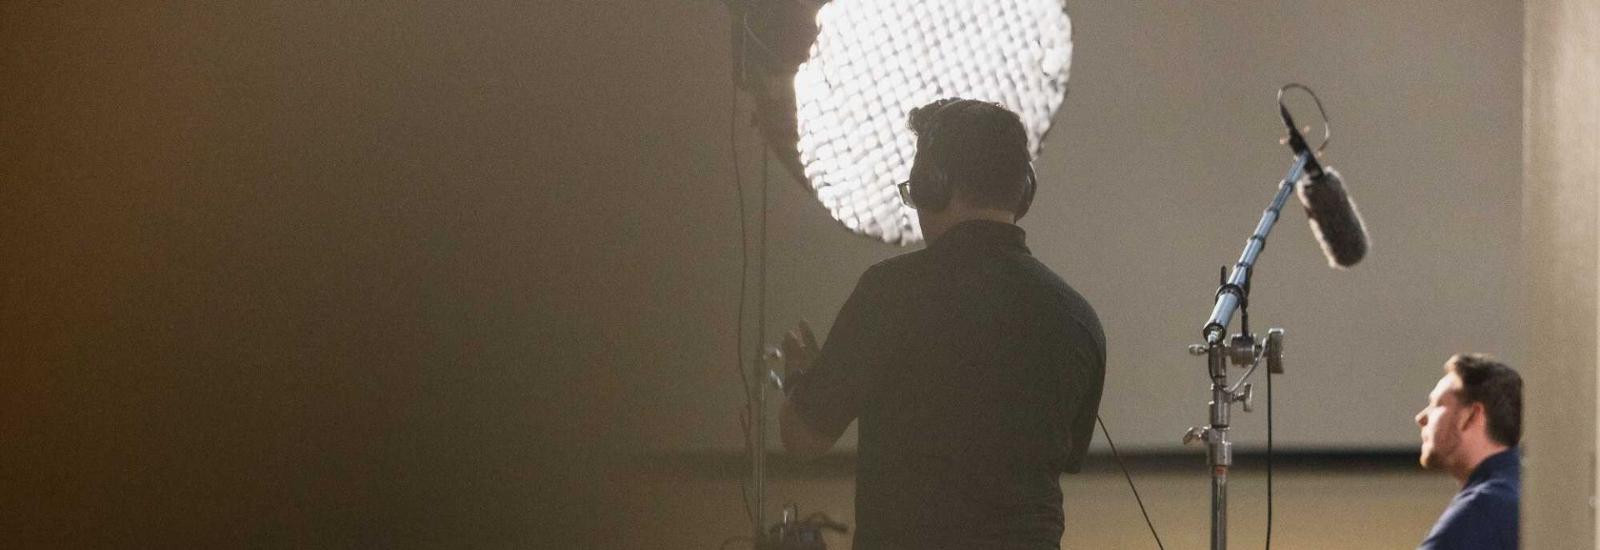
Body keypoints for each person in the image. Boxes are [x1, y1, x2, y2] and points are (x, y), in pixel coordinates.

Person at [777, 98, 1107, 549]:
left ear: (930, 185)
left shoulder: (887, 294)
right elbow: (1065, 455)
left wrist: (801, 380)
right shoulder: (1076, 318)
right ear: (1023, 191)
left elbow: (803, 440)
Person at [1414, 353, 1522, 549]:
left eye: (1437, 404)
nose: (1421, 418)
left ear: (1472, 415)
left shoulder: (1484, 508)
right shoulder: (1527, 490)